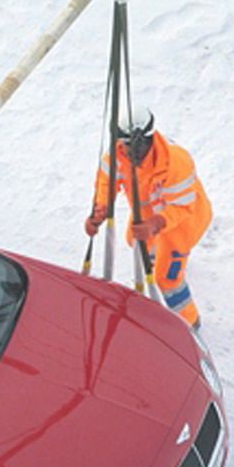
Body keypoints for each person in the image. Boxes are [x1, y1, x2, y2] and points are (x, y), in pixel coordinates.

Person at [86, 111, 213, 329]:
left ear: (147, 139)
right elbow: (106, 183)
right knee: (135, 242)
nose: (128, 151)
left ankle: (190, 325)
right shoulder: (117, 156)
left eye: (132, 146)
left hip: (184, 221)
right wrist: (99, 211)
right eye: (123, 145)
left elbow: (181, 207)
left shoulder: (176, 162)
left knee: (167, 278)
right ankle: (159, 257)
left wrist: (155, 225)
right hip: (148, 214)